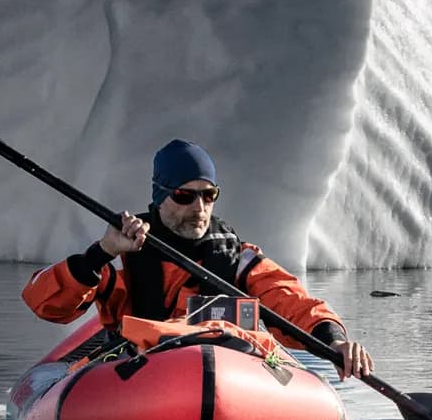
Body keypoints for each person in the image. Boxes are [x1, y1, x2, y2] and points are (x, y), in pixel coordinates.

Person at [22, 139, 375, 380]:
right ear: (161, 197)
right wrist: (103, 252)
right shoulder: (128, 256)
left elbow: (289, 299)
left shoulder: (238, 258)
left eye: (209, 195)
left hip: (231, 373)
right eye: (185, 196)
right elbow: (44, 303)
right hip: (144, 377)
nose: (199, 208)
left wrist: (333, 341)